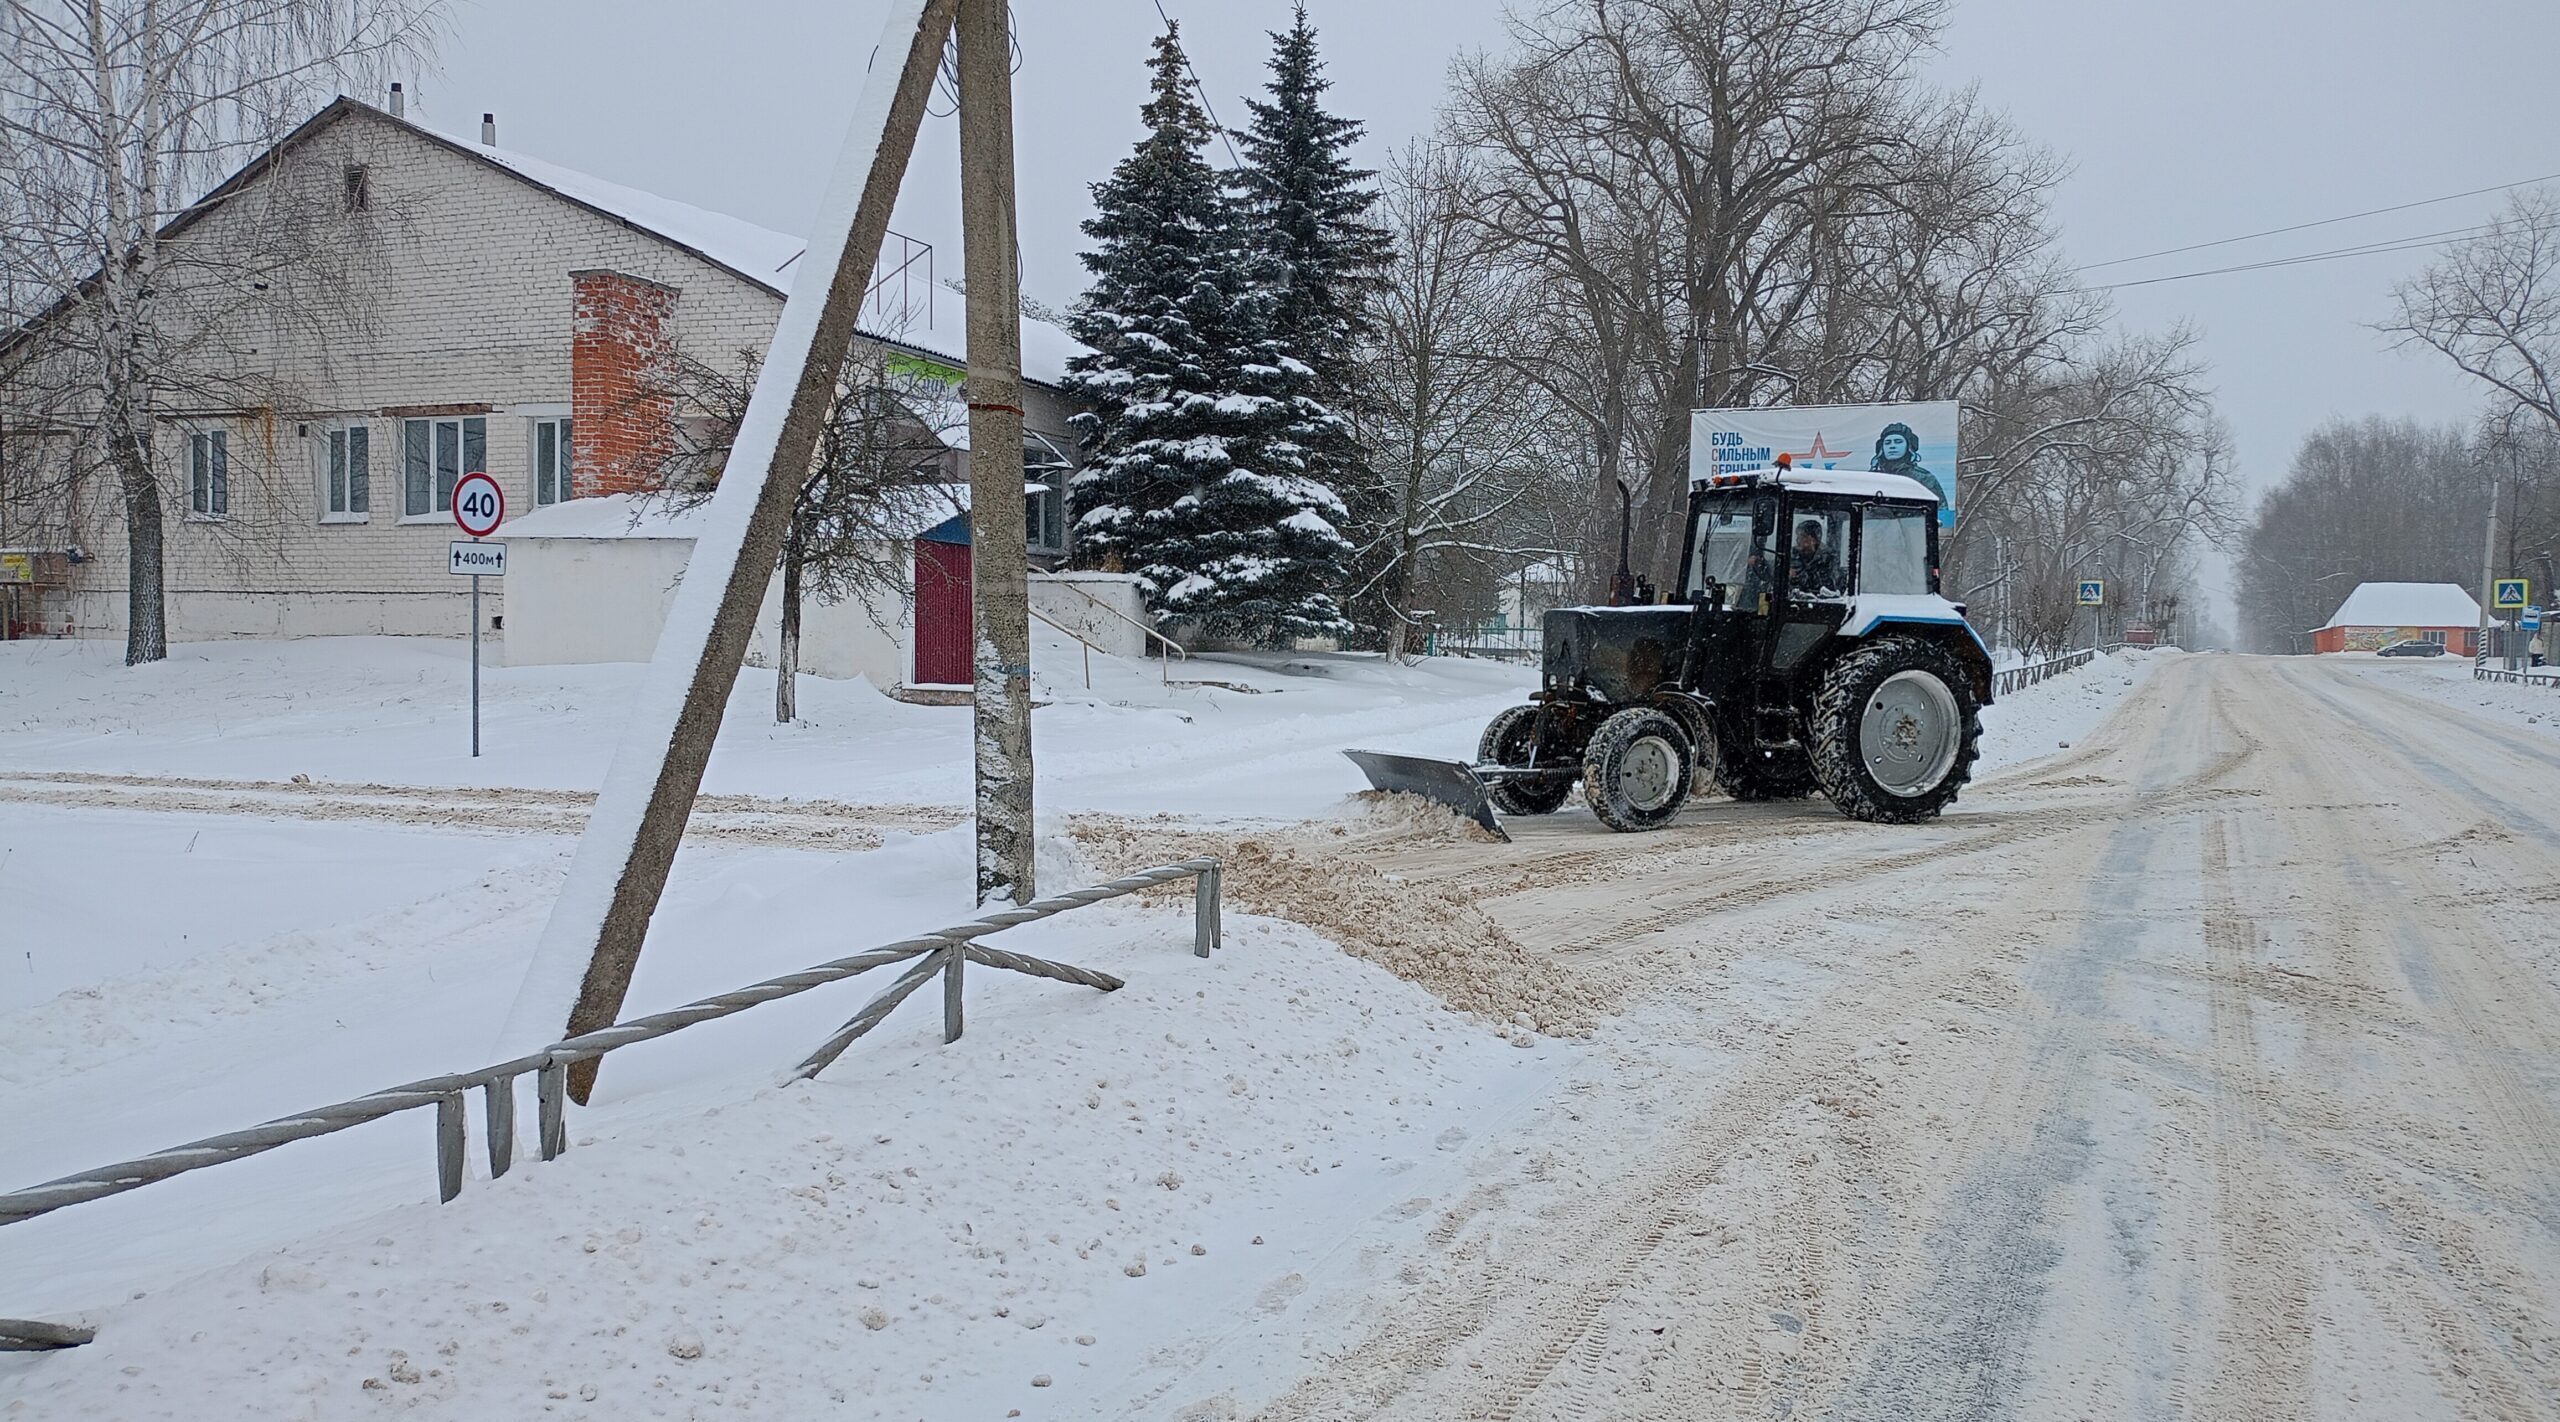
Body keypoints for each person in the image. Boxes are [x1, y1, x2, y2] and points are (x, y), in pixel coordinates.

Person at [1873, 421, 1948, 508]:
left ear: (1909, 446)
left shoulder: (1923, 478)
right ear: (1881, 447)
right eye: (1887, 443)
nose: (1892, 446)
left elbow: (1941, 511)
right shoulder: (1872, 478)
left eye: (1898, 441)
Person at [1790, 521, 1840, 592]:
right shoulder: (1792, 554)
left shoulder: (1829, 558)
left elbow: (1827, 585)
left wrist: (1797, 576)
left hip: (1819, 601)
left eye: (1802, 536)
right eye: (1797, 535)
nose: (1797, 539)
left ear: (1814, 540)